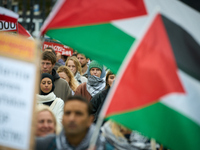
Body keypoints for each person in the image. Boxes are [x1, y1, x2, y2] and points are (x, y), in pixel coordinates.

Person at [35, 95, 105, 150]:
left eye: (78, 114)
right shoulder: (46, 144)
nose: (71, 119)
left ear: (90, 120)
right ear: (62, 118)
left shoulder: (104, 146)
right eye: (68, 113)